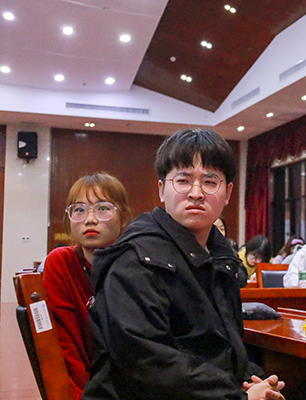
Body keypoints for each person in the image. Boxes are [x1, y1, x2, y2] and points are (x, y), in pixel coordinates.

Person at [82, 128, 284, 400]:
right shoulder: (134, 259)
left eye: (210, 182)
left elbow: (221, 348)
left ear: (228, 193)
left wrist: (253, 382)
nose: (196, 193)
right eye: (183, 180)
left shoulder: (221, 257)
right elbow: (147, 363)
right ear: (162, 189)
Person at [43, 173, 132, 400]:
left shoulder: (136, 264)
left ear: (123, 217)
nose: (90, 219)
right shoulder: (62, 263)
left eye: (103, 208)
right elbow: (63, 347)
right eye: (79, 210)